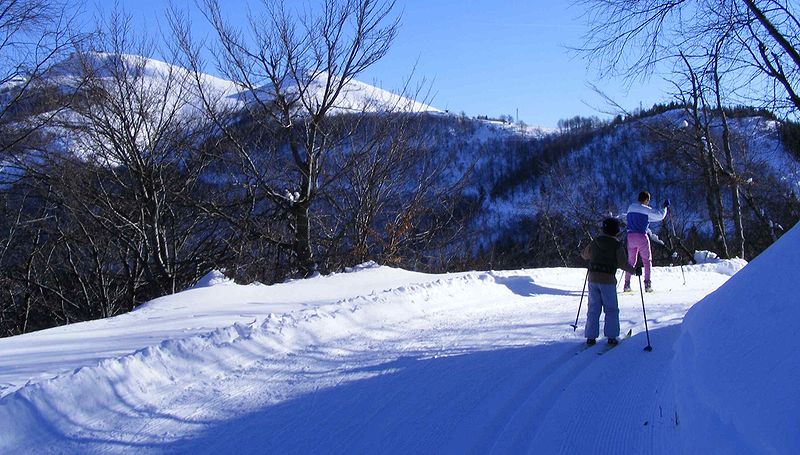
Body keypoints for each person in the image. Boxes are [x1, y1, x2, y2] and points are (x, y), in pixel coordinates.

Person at [581, 217, 640, 346]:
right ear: (616, 231)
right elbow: (623, 264)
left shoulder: (595, 241)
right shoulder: (617, 245)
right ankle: (612, 337)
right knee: (611, 309)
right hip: (608, 280)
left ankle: (590, 337)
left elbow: (584, 254)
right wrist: (635, 271)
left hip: (592, 279)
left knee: (593, 308)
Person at [623, 191, 669, 293]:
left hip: (630, 236)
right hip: (641, 236)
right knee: (647, 260)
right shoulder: (646, 210)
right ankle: (647, 284)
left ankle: (627, 284)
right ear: (646, 200)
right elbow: (660, 216)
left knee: (631, 261)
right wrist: (665, 207)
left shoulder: (631, 208)